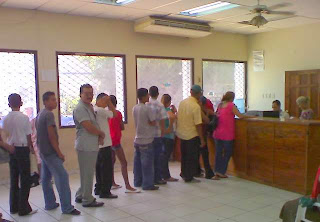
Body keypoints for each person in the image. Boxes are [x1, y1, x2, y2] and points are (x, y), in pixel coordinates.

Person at [36, 91, 80, 215]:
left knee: (45, 178)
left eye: (55, 99)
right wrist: (59, 152)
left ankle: (50, 203)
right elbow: (51, 136)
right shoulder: (48, 115)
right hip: (50, 152)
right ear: (45, 102)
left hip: (43, 151)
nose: (55, 102)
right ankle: (67, 207)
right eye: (52, 100)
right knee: (62, 177)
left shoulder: (40, 114)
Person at [2, 93, 37, 216]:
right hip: (22, 149)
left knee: (14, 178)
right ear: (21, 103)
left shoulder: (5, 118)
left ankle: (14, 207)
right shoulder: (24, 118)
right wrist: (31, 149)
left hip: (11, 149)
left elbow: (6, 133)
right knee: (25, 178)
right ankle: (24, 208)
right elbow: (28, 135)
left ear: (8, 104)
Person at [73, 84, 105, 207]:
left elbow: (94, 124)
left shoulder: (89, 107)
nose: (89, 96)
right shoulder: (80, 108)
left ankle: (81, 194)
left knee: (86, 173)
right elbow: (88, 126)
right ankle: (87, 199)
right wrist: (100, 133)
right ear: (80, 94)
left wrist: (99, 136)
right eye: (86, 93)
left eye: (91, 93)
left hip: (90, 144)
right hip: (85, 145)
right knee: (87, 173)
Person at [213, 91, 252, 178]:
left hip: (217, 133)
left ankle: (217, 171)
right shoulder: (231, 105)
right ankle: (222, 171)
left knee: (218, 153)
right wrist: (251, 116)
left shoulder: (220, 105)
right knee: (228, 152)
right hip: (227, 134)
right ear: (232, 98)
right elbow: (240, 116)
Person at [109, 95, 140, 193]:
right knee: (124, 162)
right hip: (116, 141)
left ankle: (112, 182)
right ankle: (127, 186)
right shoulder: (117, 113)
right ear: (116, 103)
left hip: (109, 141)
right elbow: (122, 127)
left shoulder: (106, 114)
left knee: (112, 161)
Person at [176, 85, 205, 183]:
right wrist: (201, 139)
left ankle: (184, 173)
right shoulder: (195, 106)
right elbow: (198, 124)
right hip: (192, 135)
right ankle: (189, 177)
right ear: (199, 94)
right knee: (191, 157)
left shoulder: (182, 103)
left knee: (184, 156)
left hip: (182, 134)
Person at [133, 88, 158, 190]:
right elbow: (153, 122)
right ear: (143, 96)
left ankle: (137, 181)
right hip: (147, 139)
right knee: (147, 164)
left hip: (137, 138)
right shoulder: (147, 108)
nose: (149, 97)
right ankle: (147, 184)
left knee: (138, 163)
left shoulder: (135, 107)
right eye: (147, 95)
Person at [93, 93, 118, 199]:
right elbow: (115, 114)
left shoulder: (94, 109)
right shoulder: (100, 110)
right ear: (99, 100)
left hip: (98, 145)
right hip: (105, 144)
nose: (106, 103)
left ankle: (98, 188)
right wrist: (109, 103)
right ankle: (105, 191)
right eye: (105, 101)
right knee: (106, 168)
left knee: (99, 168)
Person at [146, 86, 168, 185]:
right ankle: (157, 178)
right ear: (158, 94)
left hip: (147, 135)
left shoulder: (145, 104)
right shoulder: (160, 105)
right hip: (157, 134)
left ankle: (149, 178)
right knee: (157, 157)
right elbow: (163, 119)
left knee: (149, 157)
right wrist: (163, 131)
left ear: (149, 94)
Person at [160, 94, 178, 182]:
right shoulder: (167, 110)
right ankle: (166, 176)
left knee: (162, 156)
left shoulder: (160, 109)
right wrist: (175, 112)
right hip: (168, 136)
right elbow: (172, 117)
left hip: (162, 135)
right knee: (165, 157)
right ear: (169, 102)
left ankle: (162, 174)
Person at [198, 96, 216, 180]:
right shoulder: (199, 110)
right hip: (200, 134)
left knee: (199, 153)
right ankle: (208, 173)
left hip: (199, 133)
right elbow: (206, 121)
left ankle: (198, 171)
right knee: (204, 153)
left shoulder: (201, 109)